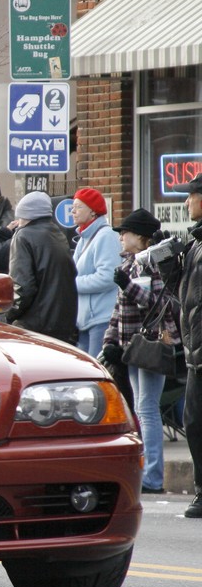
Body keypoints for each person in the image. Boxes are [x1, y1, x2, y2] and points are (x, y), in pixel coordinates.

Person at [101, 209, 179, 495]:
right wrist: (109, 341)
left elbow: (161, 306)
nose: (121, 237)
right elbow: (118, 311)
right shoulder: (131, 263)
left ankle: (153, 477)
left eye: (126, 232)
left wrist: (128, 286)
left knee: (147, 408)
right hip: (131, 347)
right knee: (141, 407)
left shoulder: (151, 264)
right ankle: (148, 472)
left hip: (151, 344)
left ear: (142, 238)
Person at [169, 173, 202, 517]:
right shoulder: (194, 243)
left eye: (191, 195)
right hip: (195, 351)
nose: (186, 202)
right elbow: (185, 300)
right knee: (193, 423)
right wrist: (170, 273)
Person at [5, 191, 78, 343]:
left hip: (35, 325)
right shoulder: (57, 234)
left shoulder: (23, 237)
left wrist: (9, 314)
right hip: (63, 324)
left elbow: (23, 287)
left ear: (25, 216)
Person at [71, 187, 122, 359]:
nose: (73, 211)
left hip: (101, 319)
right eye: (73, 206)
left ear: (93, 211)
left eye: (78, 206)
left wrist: (72, 284)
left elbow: (108, 277)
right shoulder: (84, 237)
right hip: (84, 320)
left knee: (97, 374)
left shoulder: (106, 236)